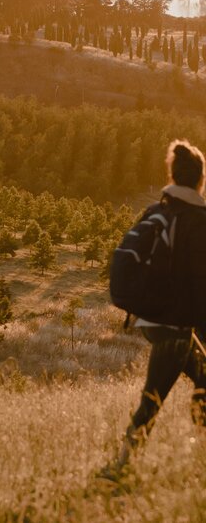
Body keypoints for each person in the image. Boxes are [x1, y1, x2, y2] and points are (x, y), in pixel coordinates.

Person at [111, 139, 206, 477]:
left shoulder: (158, 211)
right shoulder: (197, 219)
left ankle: (199, 454)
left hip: (149, 319)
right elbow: (201, 282)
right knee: (153, 398)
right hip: (174, 324)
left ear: (172, 174)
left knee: (205, 376)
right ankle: (119, 468)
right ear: (200, 179)